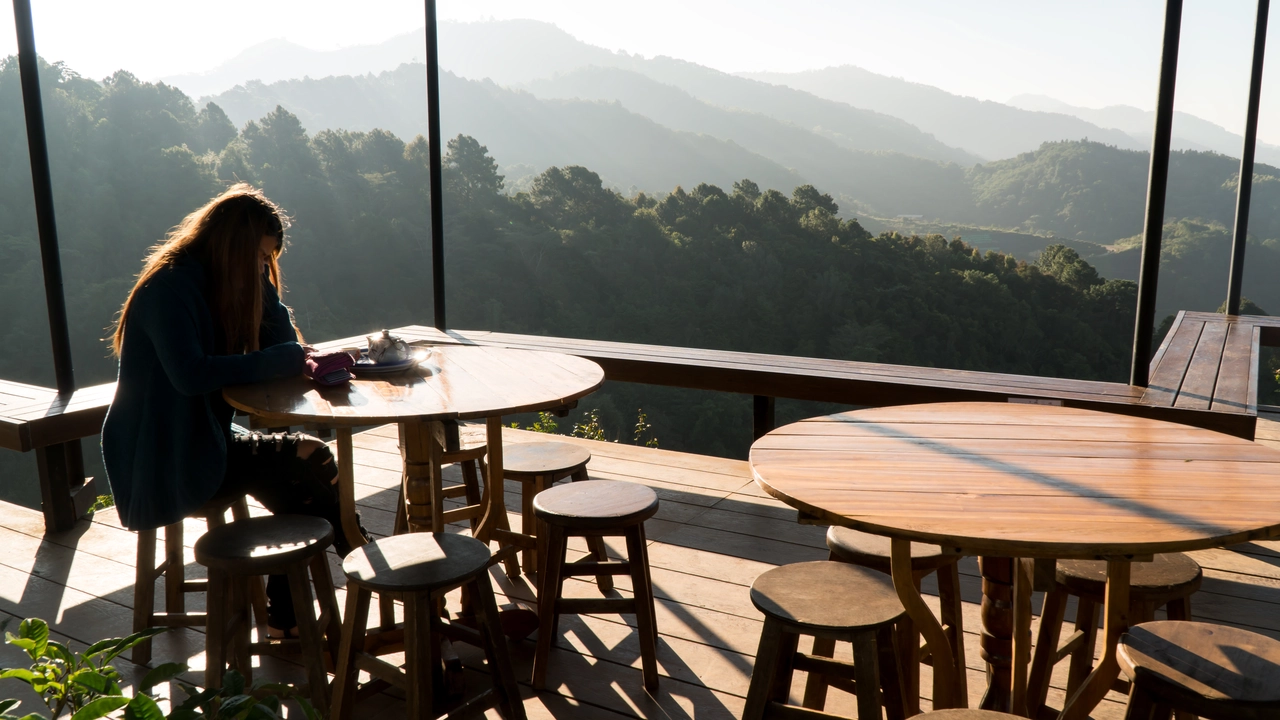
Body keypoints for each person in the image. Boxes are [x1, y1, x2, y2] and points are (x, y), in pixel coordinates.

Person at [102, 183, 353, 637]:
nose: (262, 266)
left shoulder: (221, 281)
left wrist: (264, 287)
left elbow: (281, 345)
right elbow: (191, 375)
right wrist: (285, 356)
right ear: (232, 248)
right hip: (165, 454)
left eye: (268, 259)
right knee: (306, 461)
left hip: (203, 436)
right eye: (258, 256)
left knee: (304, 476)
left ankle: (294, 613)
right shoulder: (169, 289)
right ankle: (360, 563)